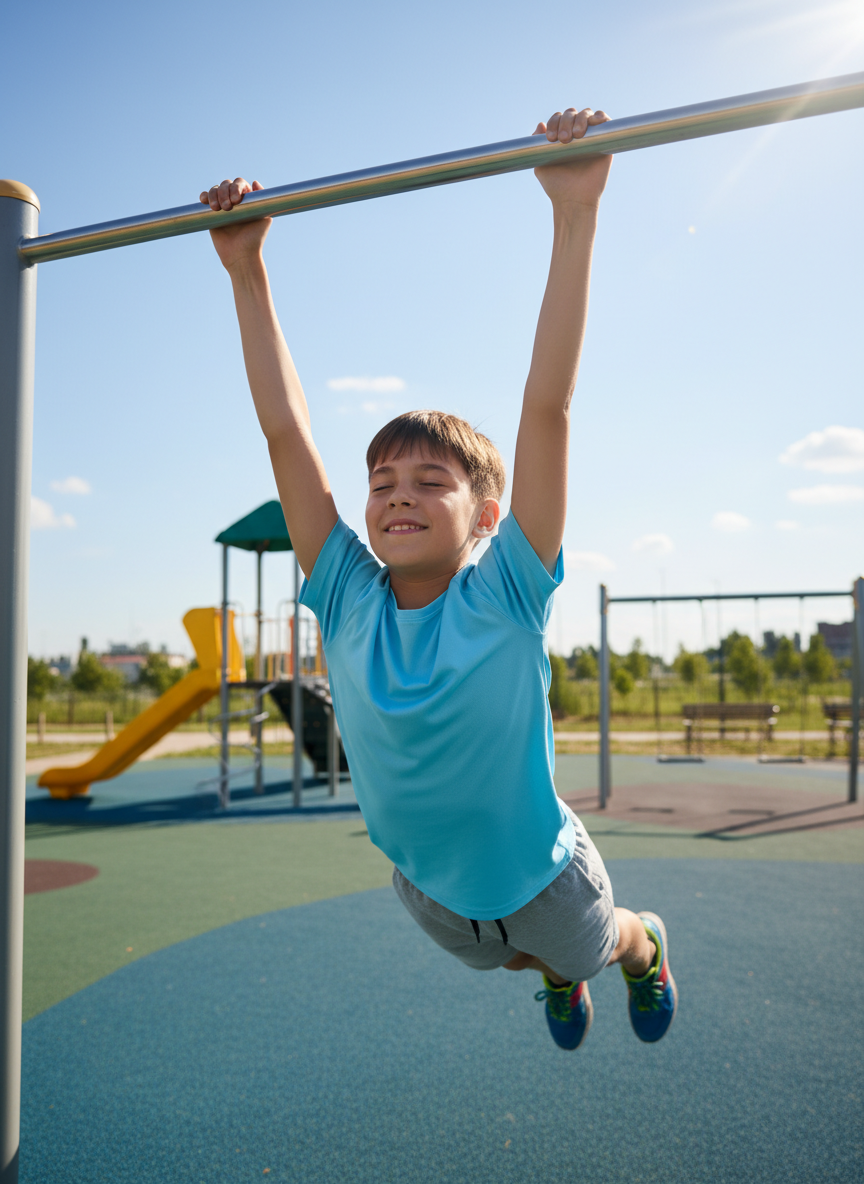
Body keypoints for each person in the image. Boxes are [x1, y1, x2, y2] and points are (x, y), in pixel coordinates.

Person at [201, 106, 677, 1051]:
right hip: (429, 889)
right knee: (509, 960)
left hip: (543, 879)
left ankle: (646, 946)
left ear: (488, 517)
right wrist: (246, 270)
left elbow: (549, 406)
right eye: (382, 484)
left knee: (583, 950)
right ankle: (549, 976)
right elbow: (287, 435)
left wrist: (573, 216)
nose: (396, 498)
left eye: (430, 482)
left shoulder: (504, 593)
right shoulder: (344, 594)